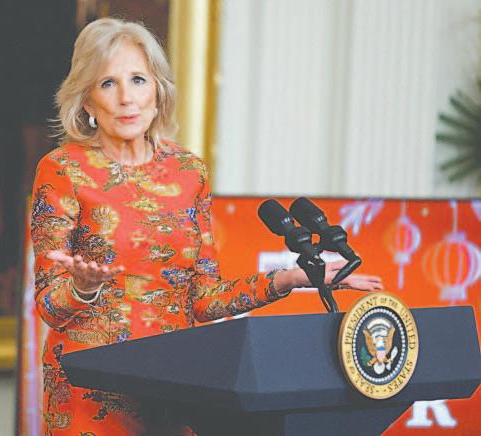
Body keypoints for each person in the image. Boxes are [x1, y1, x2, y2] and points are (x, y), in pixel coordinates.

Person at [30, 17, 383, 435]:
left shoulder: (188, 171)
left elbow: (203, 299)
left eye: (138, 80)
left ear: (158, 91)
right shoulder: (62, 170)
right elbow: (49, 306)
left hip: (174, 383)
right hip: (91, 392)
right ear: (87, 101)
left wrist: (289, 279)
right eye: (108, 83)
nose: (126, 98)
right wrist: (82, 288)